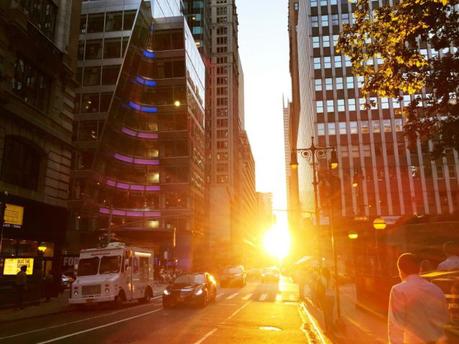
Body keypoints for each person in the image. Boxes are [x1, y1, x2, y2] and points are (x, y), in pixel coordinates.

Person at [388, 253, 449, 344]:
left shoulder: (398, 290)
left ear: (400, 270)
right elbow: (444, 318)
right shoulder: (436, 289)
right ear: (419, 269)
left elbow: (396, 325)